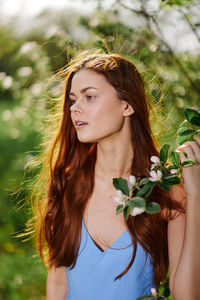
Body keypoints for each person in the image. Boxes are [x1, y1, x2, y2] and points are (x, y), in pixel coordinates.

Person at [33, 50, 200, 300]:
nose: (75, 109)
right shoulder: (69, 182)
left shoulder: (165, 190)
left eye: (89, 97)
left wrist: (196, 194)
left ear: (127, 105)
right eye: (73, 100)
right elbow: (58, 284)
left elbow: (187, 295)